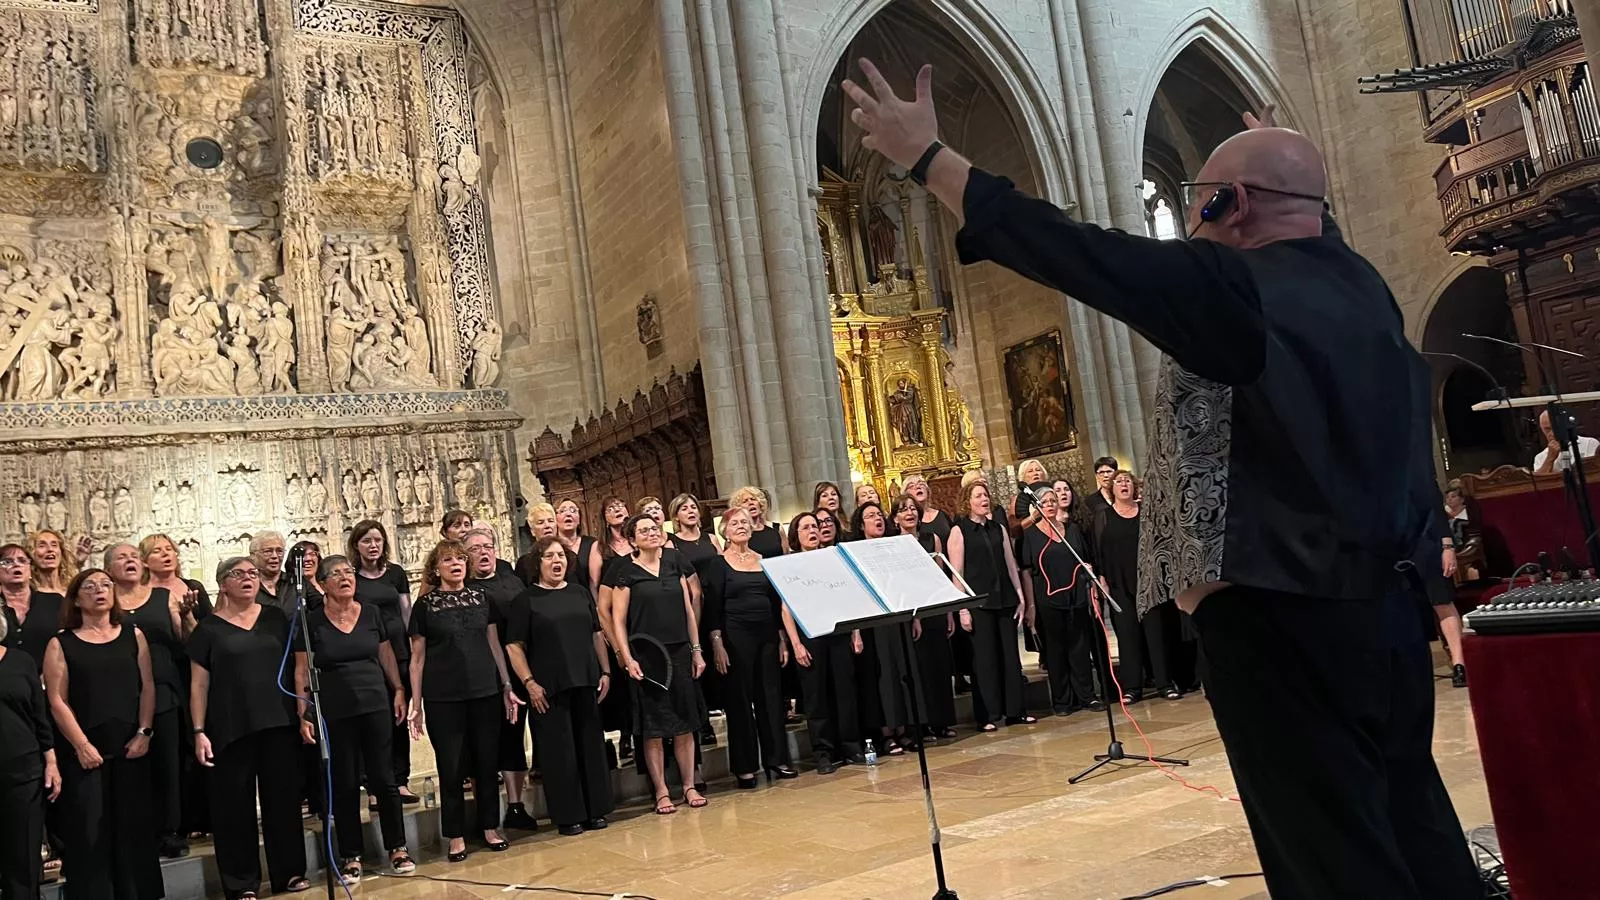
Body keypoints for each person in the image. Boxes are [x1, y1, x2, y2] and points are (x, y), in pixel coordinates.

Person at [843, 65, 1479, 896]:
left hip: (1281, 620)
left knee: (1332, 855)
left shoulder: (1232, 287)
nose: (1189, 216)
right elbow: (1305, 224)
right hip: (1388, 616)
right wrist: (1289, 170)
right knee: (1413, 823)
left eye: (1199, 200)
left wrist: (928, 156)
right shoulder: (1363, 289)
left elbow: (1082, 255)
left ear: (1230, 208)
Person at [189, 556, 310, 900]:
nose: (247, 578)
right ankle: (241, 883)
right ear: (222, 583)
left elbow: (297, 668)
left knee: (283, 802)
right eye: (237, 574)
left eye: (252, 573)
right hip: (230, 728)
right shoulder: (209, 628)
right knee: (234, 809)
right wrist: (199, 731)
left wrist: (303, 713)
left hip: (278, 722)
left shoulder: (274, 618)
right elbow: (198, 685)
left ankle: (289, 873)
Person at [43, 568, 164, 899]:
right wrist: (81, 745)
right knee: (89, 832)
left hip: (131, 745)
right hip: (85, 751)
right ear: (77, 598)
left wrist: (145, 731)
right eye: (91, 586)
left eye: (106, 585)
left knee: (134, 828)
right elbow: (57, 699)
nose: (100, 590)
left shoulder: (132, 634)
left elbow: (148, 685)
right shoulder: (61, 642)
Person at [293, 555, 413, 880]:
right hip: (335, 709)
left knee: (384, 779)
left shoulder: (371, 613)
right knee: (344, 783)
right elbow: (302, 668)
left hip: (374, 703)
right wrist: (304, 712)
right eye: (336, 574)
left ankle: (398, 848)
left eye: (349, 572)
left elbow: (386, 653)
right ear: (323, 583)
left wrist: (399, 689)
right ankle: (351, 855)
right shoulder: (312, 621)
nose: (345, 577)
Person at [407, 540, 517, 861]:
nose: (455, 564)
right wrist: (417, 705)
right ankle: (455, 834)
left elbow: (495, 645)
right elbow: (417, 659)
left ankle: (489, 827)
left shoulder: (482, 597)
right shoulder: (426, 605)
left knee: (486, 761)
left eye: (460, 559)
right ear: (436, 567)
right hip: (443, 696)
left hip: (484, 690)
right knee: (451, 766)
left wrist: (506, 684)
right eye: (448, 560)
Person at [504, 538, 614, 834]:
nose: (557, 561)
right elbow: (514, 646)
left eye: (561, 556)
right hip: (548, 688)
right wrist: (529, 683)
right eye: (550, 556)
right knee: (559, 754)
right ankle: (569, 815)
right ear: (537, 563)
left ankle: (596, 810)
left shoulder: (579, 593)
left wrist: (605, 671)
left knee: (590, 748)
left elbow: (595, 633)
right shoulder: (526, 600)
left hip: (585, 679)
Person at [105, 541, 197, 859]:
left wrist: (186, 616)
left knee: (167, 763)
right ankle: (134, 830)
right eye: (122, 557)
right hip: (119, 691)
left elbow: (187, 640)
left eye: (134, 556)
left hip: (163, 688)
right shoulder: (106, 601)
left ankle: (169, 830)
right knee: (128, 766)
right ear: (108, 569)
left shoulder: (162, 597)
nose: (130, 561)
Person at [610, 515, 706, 814]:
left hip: (679, 650)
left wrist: (696, 649)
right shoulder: (626, 572)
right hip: (646, 655)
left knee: (684, 722)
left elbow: (688, 610)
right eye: (644, 530)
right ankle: (662, 790)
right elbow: (617, 620)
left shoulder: (674, 564)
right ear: (632, 539)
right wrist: (626, 658)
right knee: (652, 726)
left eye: (655, 528)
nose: (652, 533)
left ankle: (689, 785)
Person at [702, 507, 796, 787]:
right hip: (734, 636)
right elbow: (713, 609)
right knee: (740, 701)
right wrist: (717, 644)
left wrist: (781, 639)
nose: (741, 526)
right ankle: (745, 767)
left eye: (745, 522)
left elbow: (775, 602)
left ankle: (777, 759)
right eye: (735, 523)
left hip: (766, 633)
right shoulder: (718, 564)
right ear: (725, 531)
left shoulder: (764, 561)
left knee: (770, 697)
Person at [465, 527, 540, 831]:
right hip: (480, 674)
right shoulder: (463, 588)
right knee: (480, 742)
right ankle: (484, 814)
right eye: (475, 549)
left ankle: (515, 805)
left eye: (488, 546)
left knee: (512, 737)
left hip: (517, 668)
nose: (484, 553)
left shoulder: (512, 580)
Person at [780, 511, 865, 773]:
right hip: (810, 636)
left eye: (815, 526)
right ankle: (823, 752)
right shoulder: (789, 564)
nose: (812, 530)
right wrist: (795, 644)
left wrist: (856, 632)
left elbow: (849, 596)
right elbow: (786, 608)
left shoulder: (833, 558)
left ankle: (851, 746)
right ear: (796, 535)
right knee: (816, 697)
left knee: (845, 692)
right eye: (805, 527)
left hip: (838, 632)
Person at [949, 481, 1034, 730]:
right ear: (968, 502)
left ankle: (1015, 711)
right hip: (979, 604)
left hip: (1005, 599)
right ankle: (988, 715)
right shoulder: (959, 530)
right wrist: (962, 608)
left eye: (985, 495)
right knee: (984, 661)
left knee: (1010, 657)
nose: (984, 499)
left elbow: (1011, 564)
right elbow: (958, 573)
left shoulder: (998, 528)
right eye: (978, 496)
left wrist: (1020, 596)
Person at [347, 520, 419, 805]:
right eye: (366, 541)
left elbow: (406, 612)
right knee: (375, 723)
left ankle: (400, 780)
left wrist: (414, 649)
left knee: (399, 719)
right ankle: (376, 786)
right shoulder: (353, 577)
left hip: (399, 652)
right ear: (356, 545)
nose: (372, 545)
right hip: (370, 656)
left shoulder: (396, 573)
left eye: (377, 540)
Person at [1092, 471, 1179, 702]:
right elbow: (1098, 550)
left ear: (1134, 486)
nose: (1123, 484)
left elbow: (1160, 544)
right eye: (1119, 481)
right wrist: (1101, 578)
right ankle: (1132, 688)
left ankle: (1165, 683)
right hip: (1119, 583)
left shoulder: (1146, 513)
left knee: (1156, 634)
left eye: (1127, 481)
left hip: (1149, 583)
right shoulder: (1104, 517)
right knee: (1127, 636)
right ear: (1112, 489)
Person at [1017, 484, 1099, 714]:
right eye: (1045, 501)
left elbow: (1085, 561)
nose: (1050, 504)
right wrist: (1031, 605)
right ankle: (1063, 700)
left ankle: (1087, 696)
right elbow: (1026, 571)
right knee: (1055, 650)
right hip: (1047, 599)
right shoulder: (1030, 535)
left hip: (1075, 596)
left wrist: (1091, 588)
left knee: (1080, 647)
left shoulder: (1071, 530)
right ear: (1036, 506)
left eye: (1053, 500)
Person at [888, 494, 958, 740]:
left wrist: (948, 611)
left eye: (912, 509)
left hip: (934, 608)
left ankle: (942, 721)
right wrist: (913, 614)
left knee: (940, 666)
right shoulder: (892, 545)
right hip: (910, 612)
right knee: (919, 670)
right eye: (903, 509)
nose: (909, 513)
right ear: (895, 518)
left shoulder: (932, 539)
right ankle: (923, 724)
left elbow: (940, 578)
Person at [0, 610, 59, 900]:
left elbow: (40, 716)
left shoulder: (20, 661)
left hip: (23, 772)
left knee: (22, 862)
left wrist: (51, 761)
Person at [0, 542, 63, 668]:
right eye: (7, 562)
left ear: (30, 569)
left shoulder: (55, 602)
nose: (16, 564)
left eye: (22, 560)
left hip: (47, 680)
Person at [554, 499, 601, 594]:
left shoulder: (591, 544)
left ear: (579, 519)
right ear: (555, 518)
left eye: (573, 510)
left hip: (586, 598)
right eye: (562, 511)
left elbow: (594, 584)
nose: (568, 514)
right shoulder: (551, 546)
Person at [1533, 408, 1600, 474]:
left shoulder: (1589, 443)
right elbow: (1539, 482)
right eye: (1547, 429)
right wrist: (1550, 458)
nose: (1552, 433)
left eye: (1556, 427)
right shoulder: (1540, 457)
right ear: (1542, 429)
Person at [732, 487, 785, 559]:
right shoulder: (737, 534)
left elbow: (786, 556)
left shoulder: (775, 531)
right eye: (745, 501)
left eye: (753, 499)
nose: (750, 502)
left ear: (760, 504)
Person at [513, 503, 560, 585]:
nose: (547, 525)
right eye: (540, 522)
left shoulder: (569, 557)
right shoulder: (524, 563)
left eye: (551, 521)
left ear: (556, 525)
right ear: (532, 531)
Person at [26, 529, 77, 595]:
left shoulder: (73, 592)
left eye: (54, 545)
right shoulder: (28, 594)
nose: (50, 549)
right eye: (42, 546)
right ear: (32, 554)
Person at [249, 531, 288, 613]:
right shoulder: (248, 585)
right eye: (268, 551)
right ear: (253, 556)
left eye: (279, 551)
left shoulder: (297, 582)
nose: (275, 556)